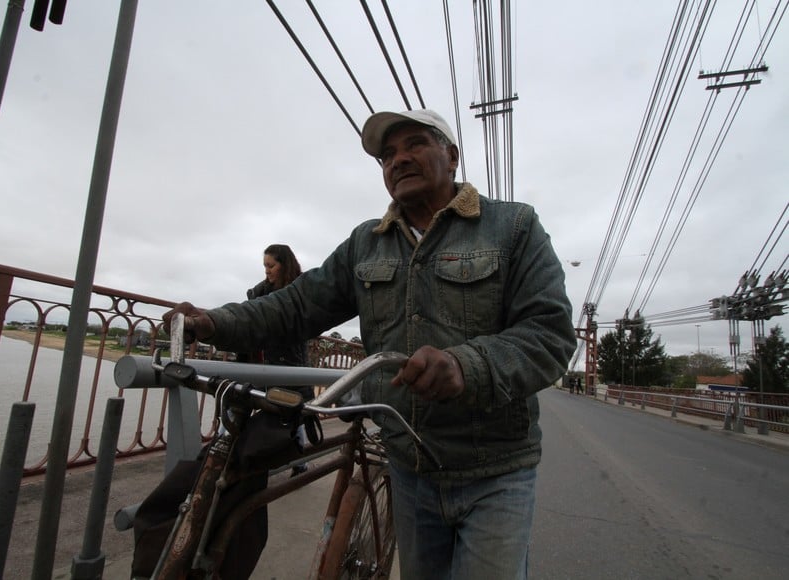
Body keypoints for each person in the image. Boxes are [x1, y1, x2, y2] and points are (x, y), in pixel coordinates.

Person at [163, 108, 576, 579]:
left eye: (414, 145)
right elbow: (293, 307)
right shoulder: (366, 243)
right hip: (410, 465)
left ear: (452, 156)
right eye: (386, 156)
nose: (397, 160)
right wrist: (214, 322)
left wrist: (468, 365)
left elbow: (550, 333)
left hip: (496, 470)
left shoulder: (514, 227)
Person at [241, 243, 313, 475]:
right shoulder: (259, 292)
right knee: (239, 403)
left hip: (288, 364)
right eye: (264, 266)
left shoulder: (300, 290)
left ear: (284, 264)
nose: (267, 271)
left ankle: (298, 461)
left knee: (291, 411)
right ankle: (227, 453)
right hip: (261, 363)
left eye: (271, 266)